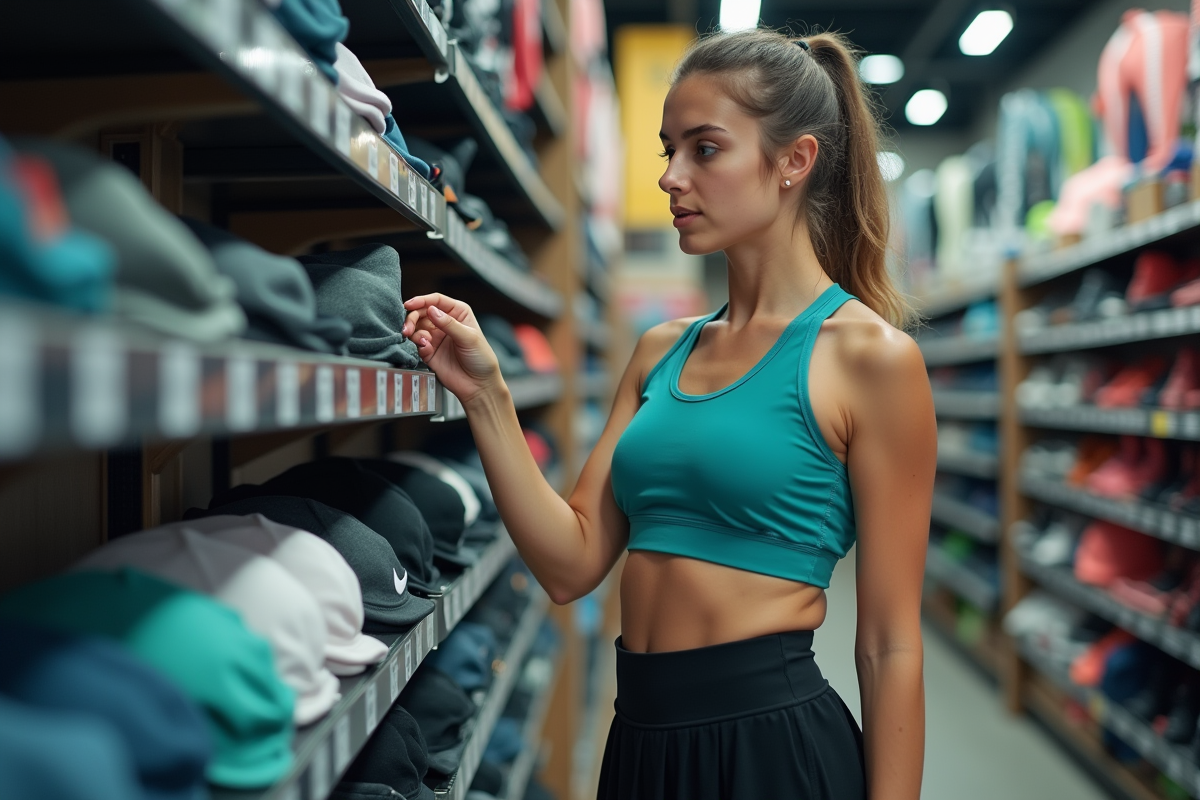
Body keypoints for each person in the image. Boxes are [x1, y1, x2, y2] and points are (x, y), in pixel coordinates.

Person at [402, 28, 935, 800]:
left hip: (771, 749)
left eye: (705, 149)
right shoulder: (660, 351)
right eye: (667, 150)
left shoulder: (870, 359)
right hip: (641, 743)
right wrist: (487, 396)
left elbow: (890, 646)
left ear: (795, 160)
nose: (671, 178)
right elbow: (570, 564)